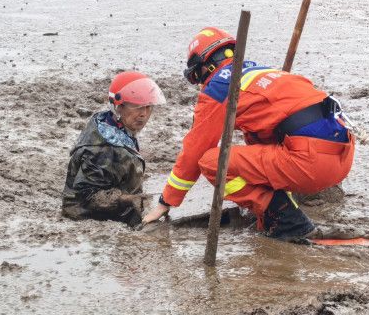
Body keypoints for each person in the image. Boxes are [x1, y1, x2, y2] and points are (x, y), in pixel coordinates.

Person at [141, 27, 355, 240]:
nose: (199, 84)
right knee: (256, 143)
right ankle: (278, 209)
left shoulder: (219, 87)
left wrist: (165, 202)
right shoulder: (263, 73)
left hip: (309, 164)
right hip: (342, 159)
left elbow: (194, 151)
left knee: (212, 162)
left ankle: (286, 220)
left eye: (197, 77)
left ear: (204, 67)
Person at [62, 71, 166, 226]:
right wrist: (129, 200)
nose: (144, 114)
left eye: (148, 106)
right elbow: (86, 196)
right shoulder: (101, 149)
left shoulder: (110, 123)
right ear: (118, 107)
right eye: (136, 106)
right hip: (88, 218)